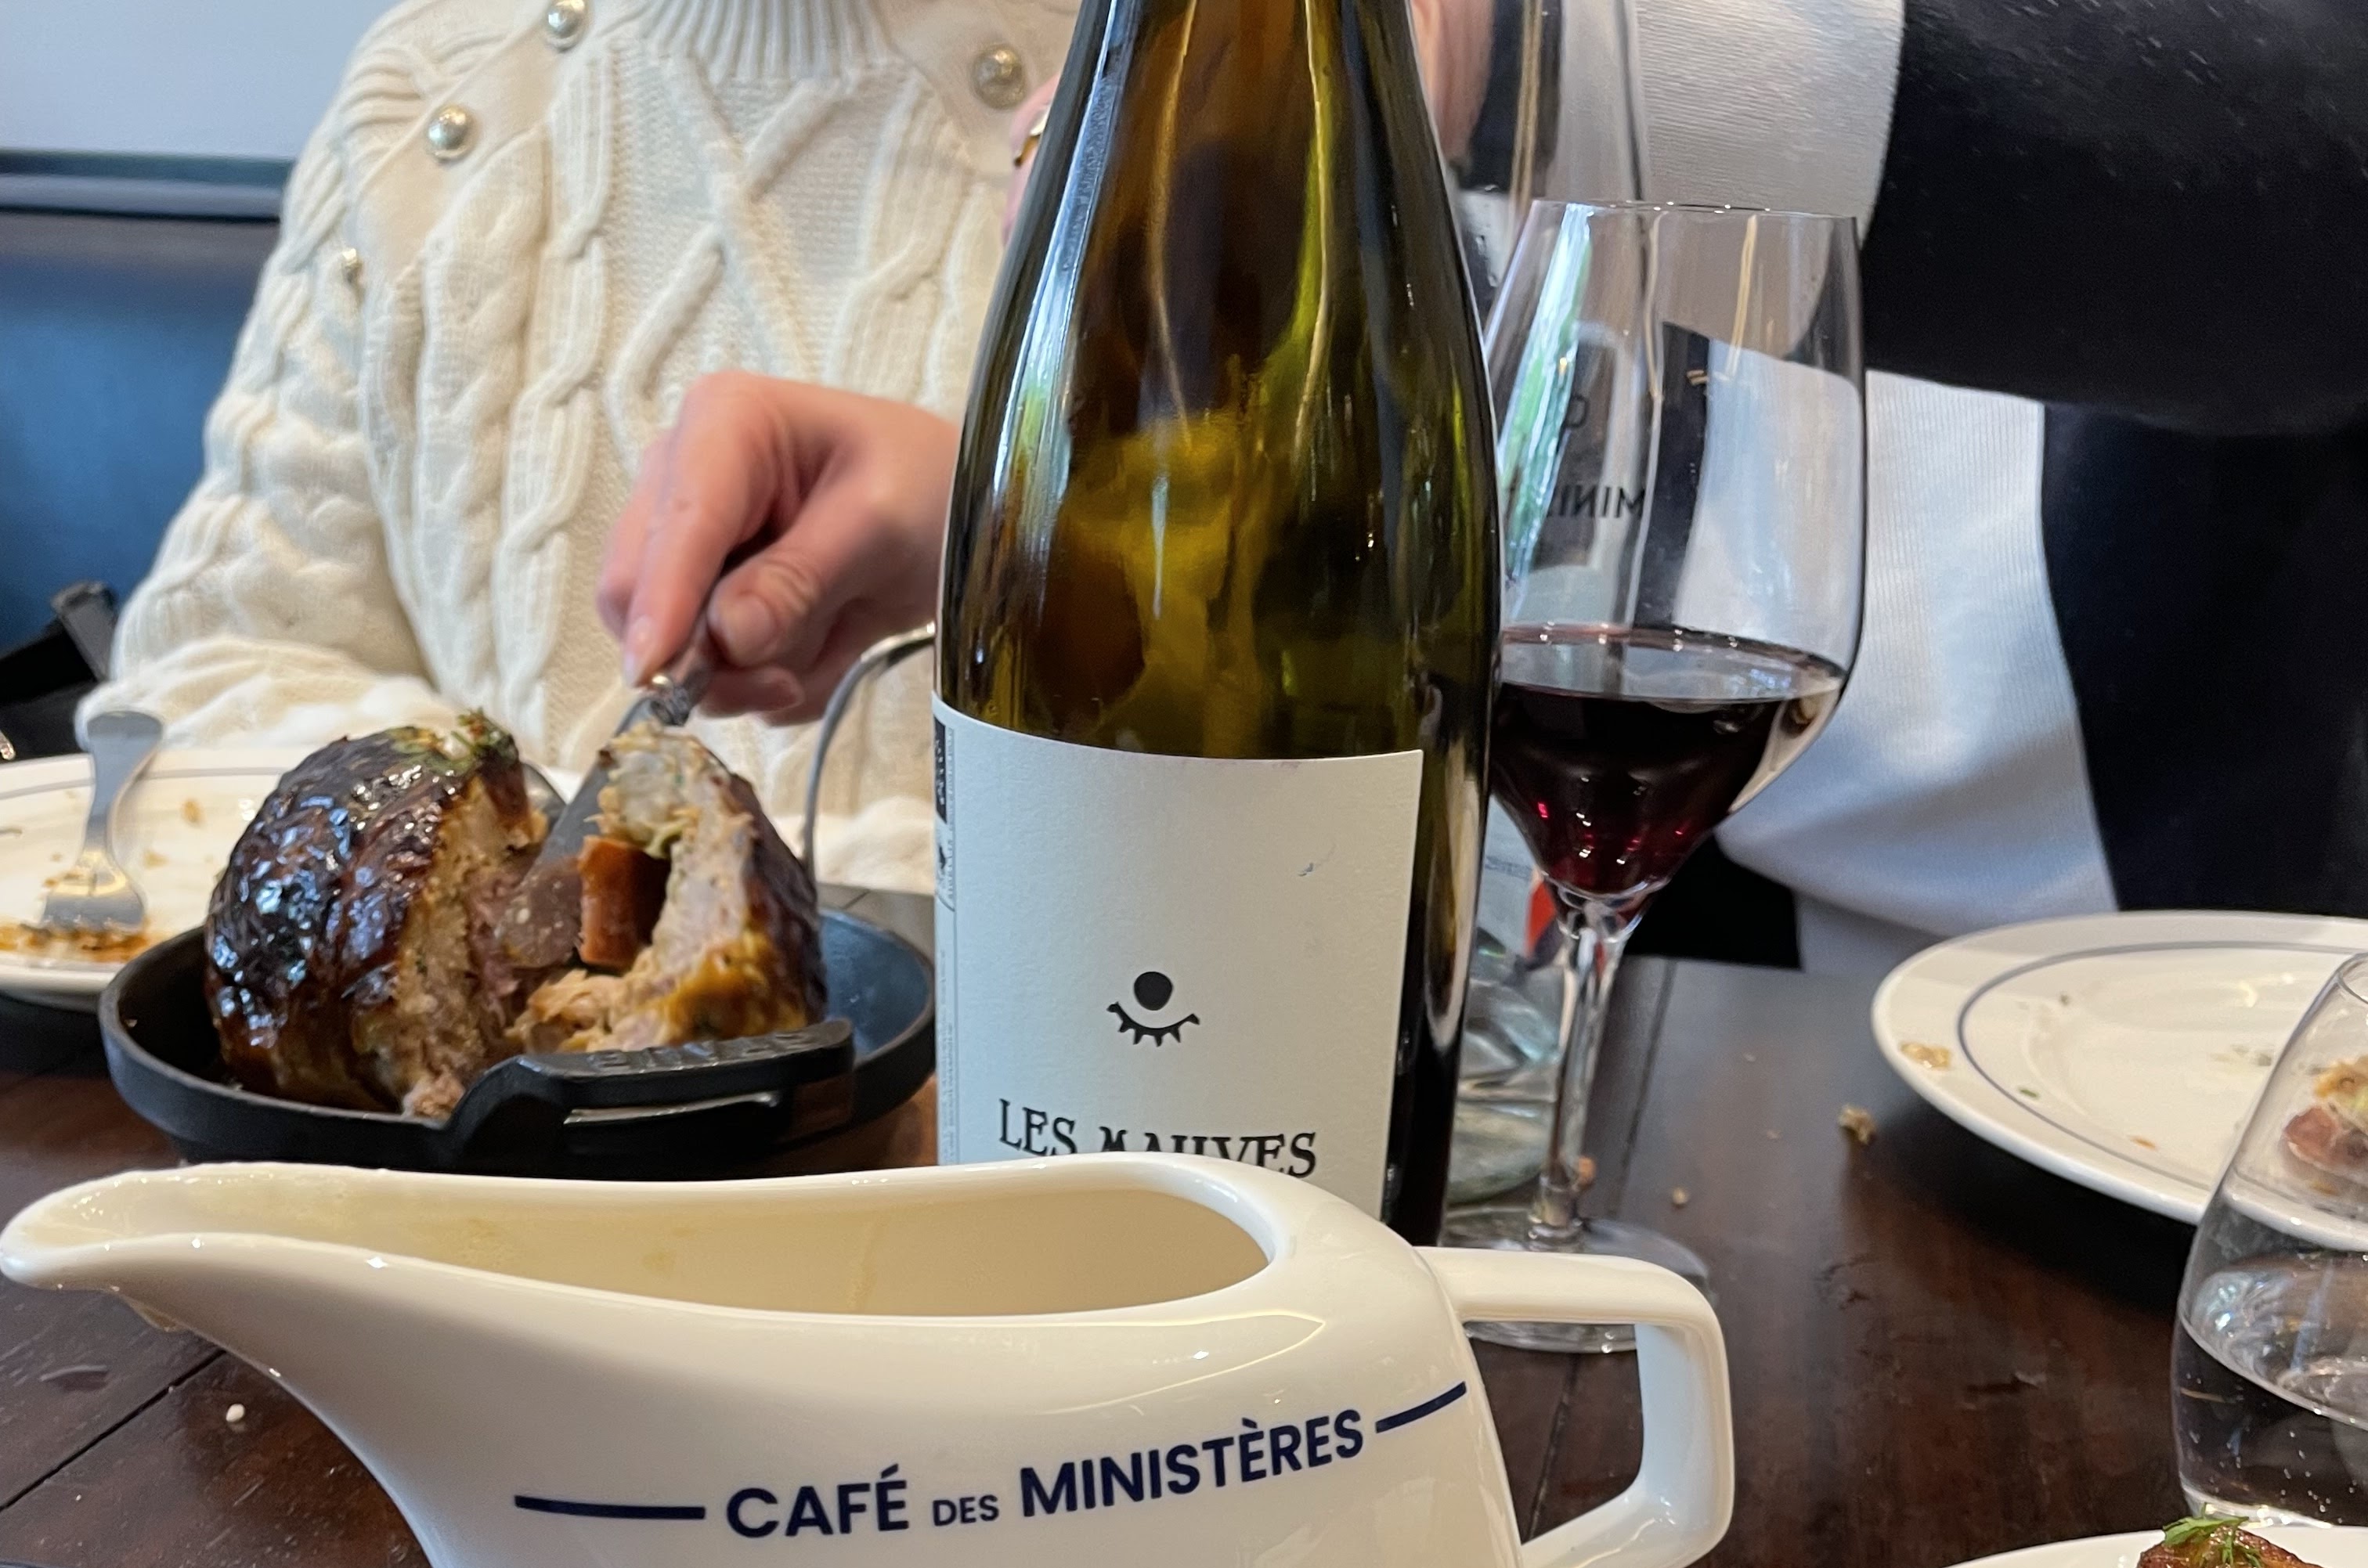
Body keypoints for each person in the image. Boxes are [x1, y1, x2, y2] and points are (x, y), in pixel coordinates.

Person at [603, 0, 2368, 960]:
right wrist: (1040, 529)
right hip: (1638, 1005)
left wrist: (1511, 41)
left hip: (2146, 1047)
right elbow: (1494, 447)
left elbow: (2313, 200)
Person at [85, 0, 1077, 887]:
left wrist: (1018, 535)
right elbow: (211, 673)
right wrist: (555, 857)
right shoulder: (431, 97)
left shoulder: (1139, 105)